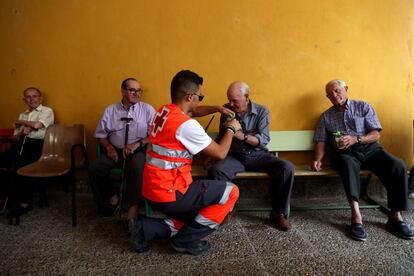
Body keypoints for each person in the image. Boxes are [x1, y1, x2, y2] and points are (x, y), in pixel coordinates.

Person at [129, 70, 241, 256]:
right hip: (171, 193)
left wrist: (217, 108)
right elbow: (220, 153)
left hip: (151, 189)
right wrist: (231, 128)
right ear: (190, 96)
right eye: (200, 96)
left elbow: (193, 110)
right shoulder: (187, 126)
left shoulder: (164, 111)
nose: (199, 101)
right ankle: (185, 240)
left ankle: (144, 228)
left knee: (196, 220)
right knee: (231, 192)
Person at [311, 79, 414, 241]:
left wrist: (356, 139)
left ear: (346, 89)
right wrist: (318, 159)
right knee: (347, 163)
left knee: (398, 165)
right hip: (344, 154)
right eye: (330, 94)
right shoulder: (326, 117)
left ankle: (395, 216)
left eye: (337, 90)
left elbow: (376, 134)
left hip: (370, 149)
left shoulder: (363, 106)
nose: (334, 95)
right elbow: (321, 140)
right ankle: (356, 216)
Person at [208, 81, 295, 231]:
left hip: (258, 155)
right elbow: (223, 136)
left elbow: (263, 139)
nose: (230, 103)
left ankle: (278, 213)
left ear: (246, 97)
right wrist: (212, 154)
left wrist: (242, 136)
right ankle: (227, 209)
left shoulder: (262, 111)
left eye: (234, 100)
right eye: (229, 99)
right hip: (234, 155)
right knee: (216, 169)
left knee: (286, 167)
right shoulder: (227, 110)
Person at [88, 78, 155, 220]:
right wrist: (109, 147)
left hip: (138, 150)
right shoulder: (110, 110)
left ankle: (133, 206)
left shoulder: (148, 110)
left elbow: (155, 135)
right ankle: (111, 196)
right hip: (116, 151)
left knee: (137, 165)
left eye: (139, 90)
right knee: (95, 167)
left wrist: (138, 144)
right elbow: (101, 135)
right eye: (132, 90)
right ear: (123, 91)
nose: (137, 94)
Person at [0, 87, 54, 216]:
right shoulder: (23, 114)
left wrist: (21, 122)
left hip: (40, 146)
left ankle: (25, 203)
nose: (32, 99)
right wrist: (20, 134)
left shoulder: (47, 111)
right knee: (2, 162)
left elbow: (37, 125)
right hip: (21, 144)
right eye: (28, 97)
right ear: (25, 100)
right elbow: (14, 137)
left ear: (40, 98)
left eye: (34, 96)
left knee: (21, 165)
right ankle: (3, 198)